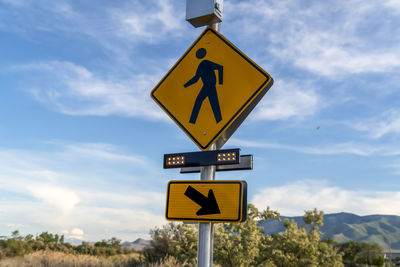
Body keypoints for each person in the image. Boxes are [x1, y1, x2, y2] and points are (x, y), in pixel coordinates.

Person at [184, 48, 223, 124]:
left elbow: (220, 67)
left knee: (204, 102)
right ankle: (192, 122)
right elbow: (196, 79)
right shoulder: (200, 65)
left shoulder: (206, 63)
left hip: (210, 85)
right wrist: (185, 85)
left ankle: (192, 121)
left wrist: (220, 82)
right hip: (207, 86)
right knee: (213, 104)